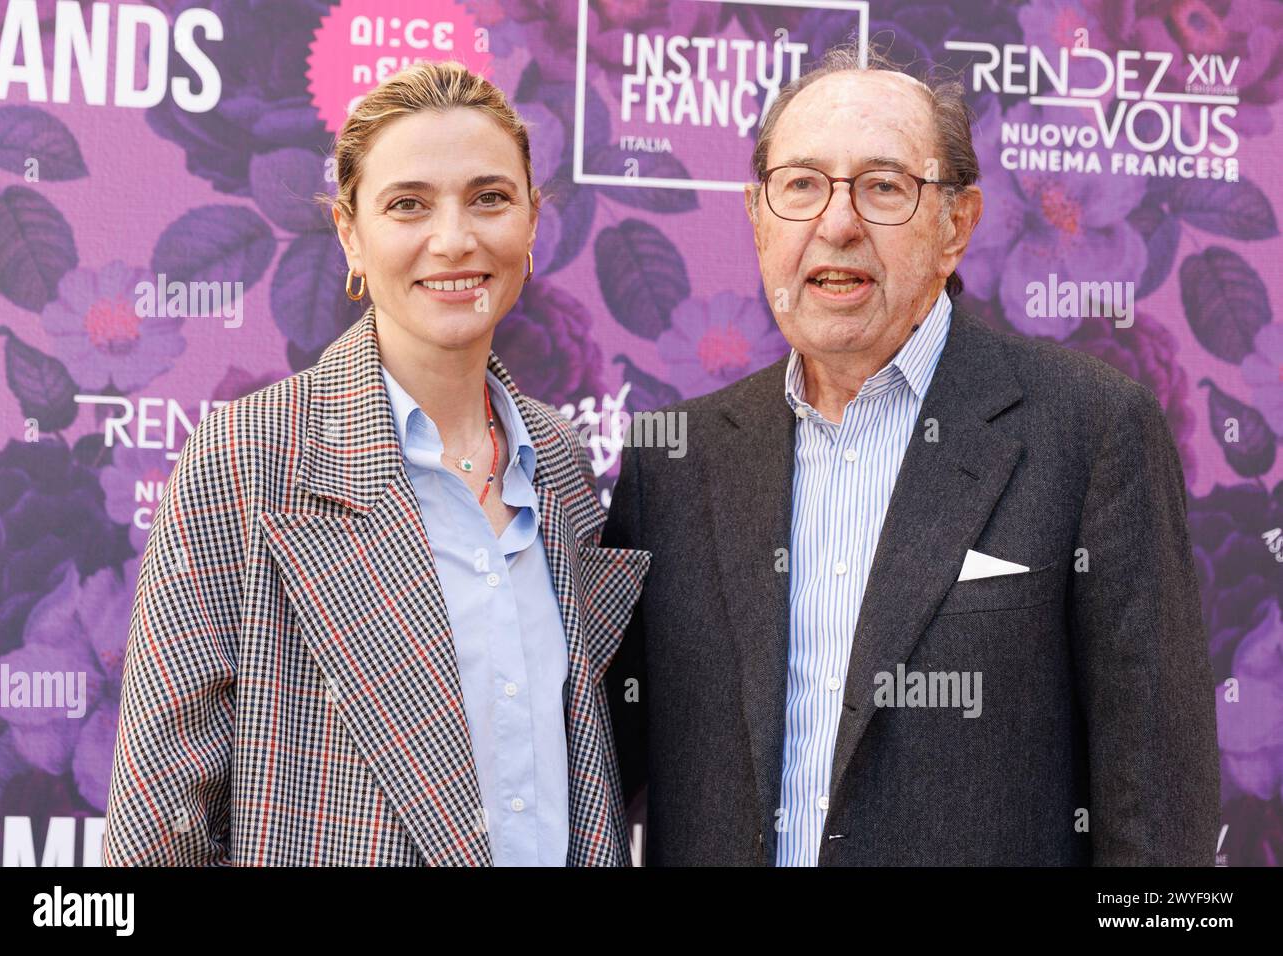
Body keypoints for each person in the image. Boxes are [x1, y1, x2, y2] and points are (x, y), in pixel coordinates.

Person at [602, 42, 1220, 866]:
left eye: (885, 187)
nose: (837, 223)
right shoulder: (671, 464)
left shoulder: (1094, 432)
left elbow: (1158, 809)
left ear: (955, 226)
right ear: (757, 216)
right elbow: (593, 770)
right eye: (801, 185)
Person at [103, 61, 648, 867]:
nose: (455, 237)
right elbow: (158, 833)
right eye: (408, 205)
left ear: (533, 225)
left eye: (490, 198)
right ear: (350, 233)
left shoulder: (560, 462)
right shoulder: (249, 460)